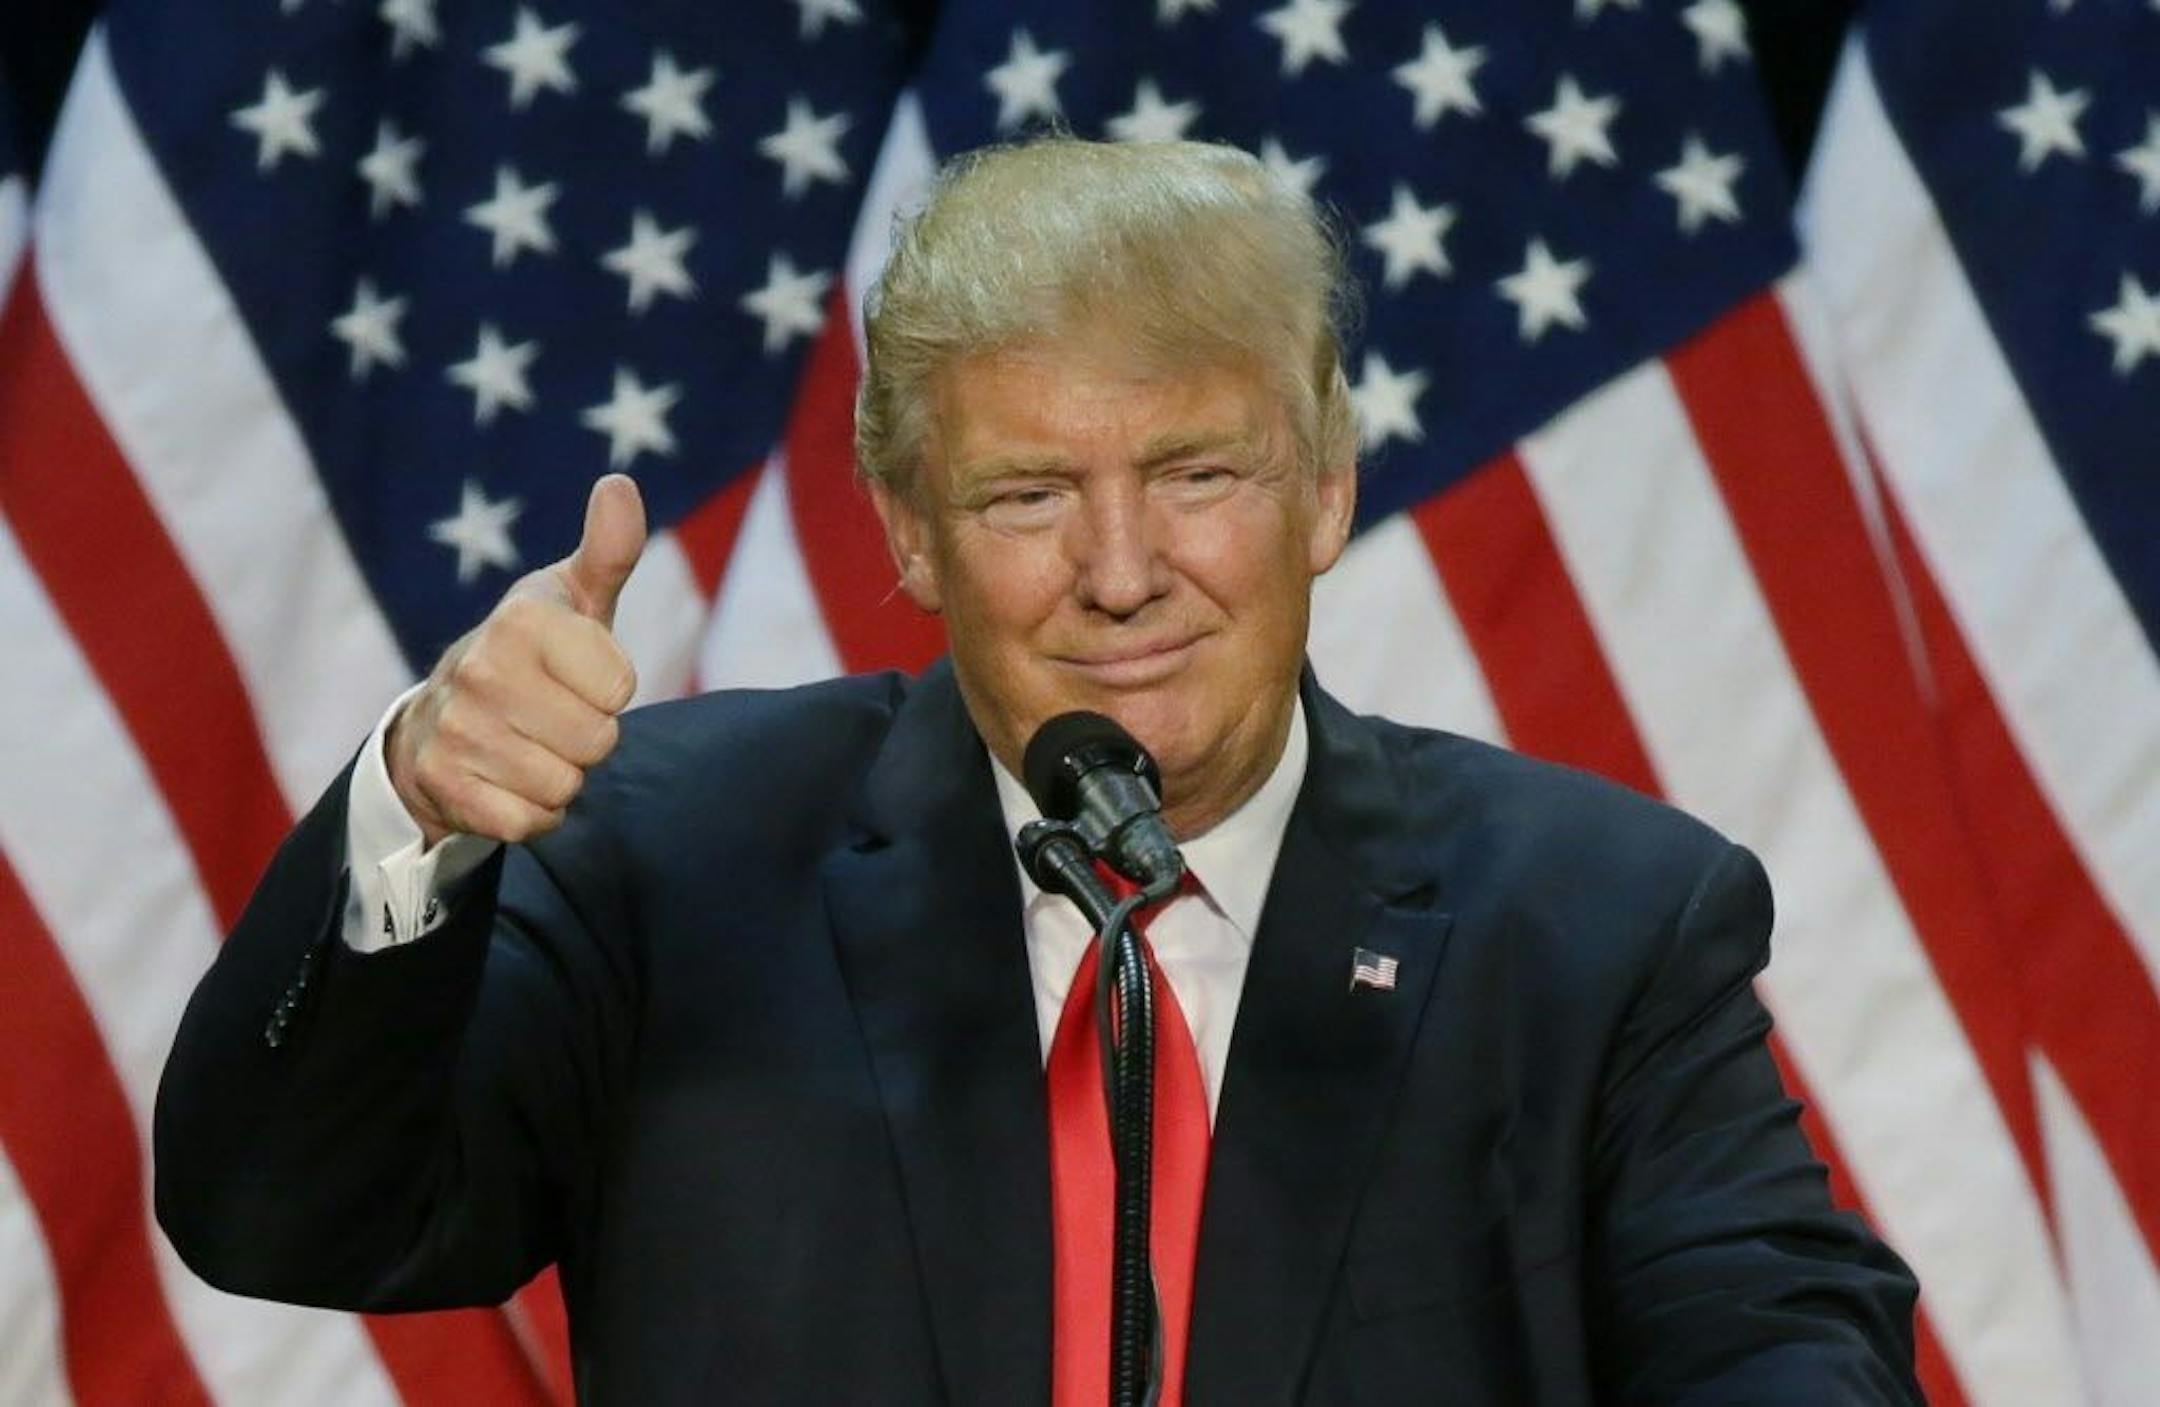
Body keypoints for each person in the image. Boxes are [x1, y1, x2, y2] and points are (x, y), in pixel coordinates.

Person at [155, 137, 1921, 1404]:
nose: (1125, 567)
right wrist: (421, 818)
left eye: (1201, 475)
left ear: (1323, 493)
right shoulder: (675, 858)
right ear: (911, 532)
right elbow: (291, 1223)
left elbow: (1775, 1337)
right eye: (1026, 496)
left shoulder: (1599, 922)